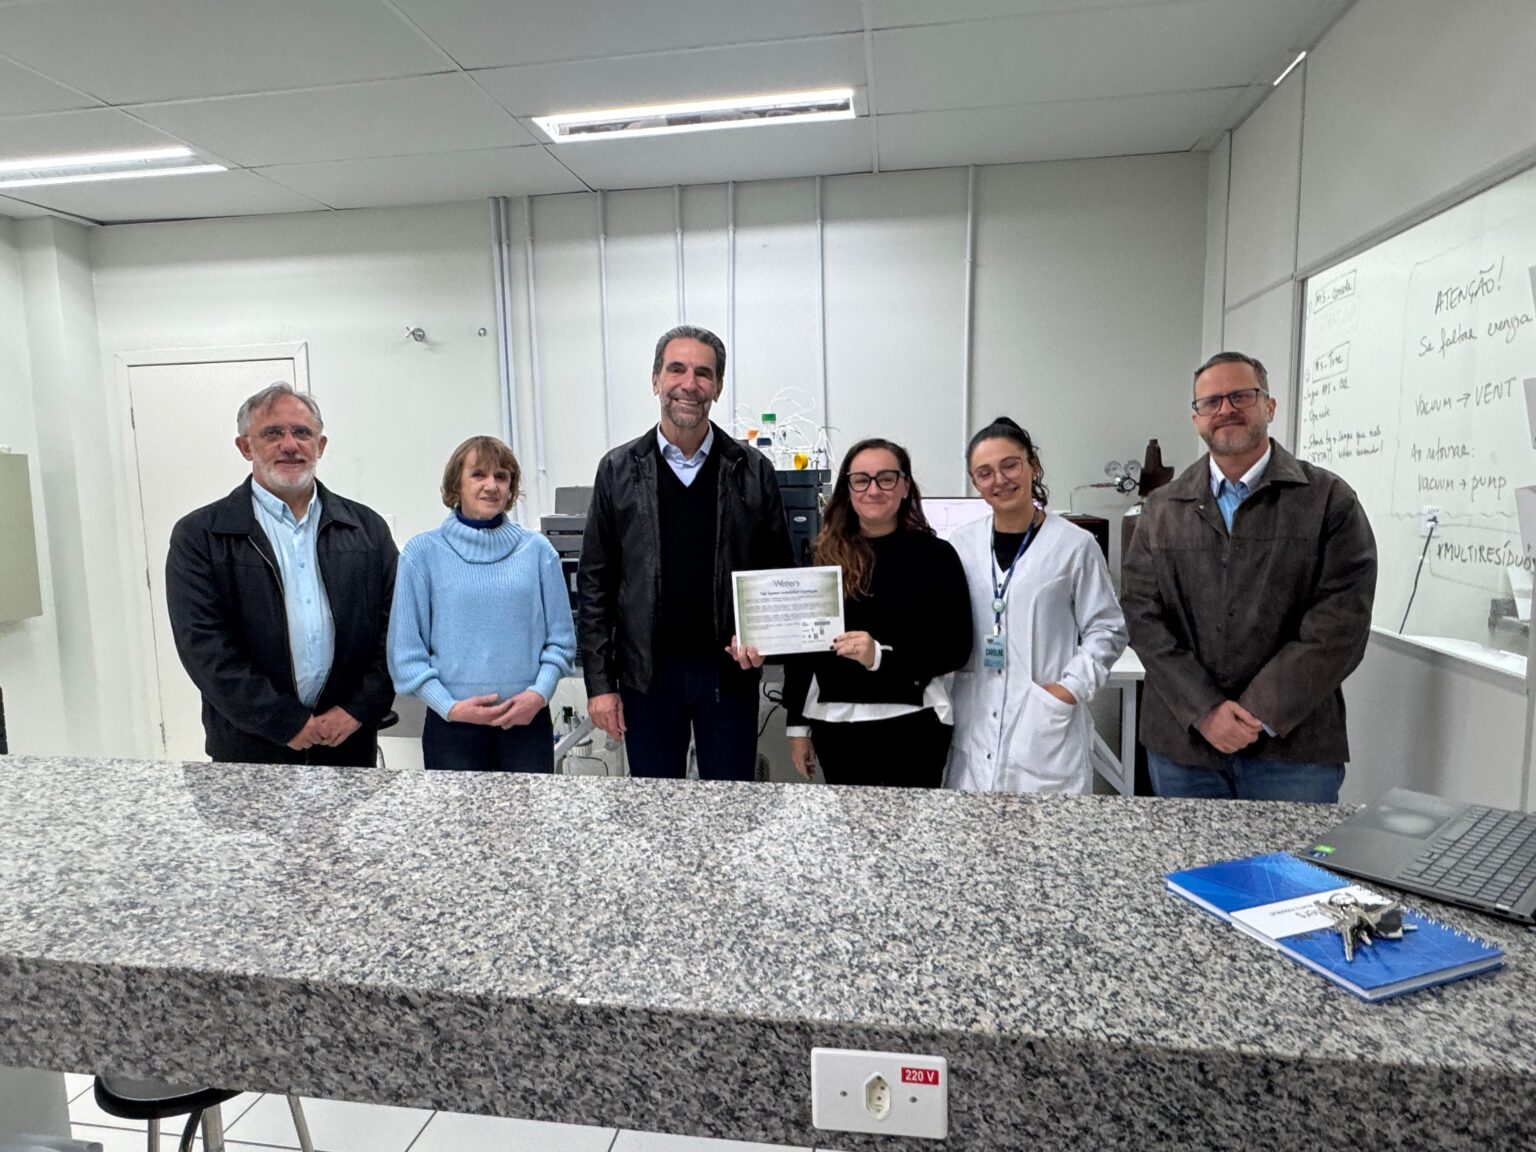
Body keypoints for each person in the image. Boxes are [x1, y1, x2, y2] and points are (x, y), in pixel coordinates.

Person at [1121, 351, 1377, 802]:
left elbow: (1341, 622)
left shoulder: (1328, 501)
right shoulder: (1162, 510)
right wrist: (1205, 710)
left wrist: (1257, 712)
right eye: (1211, 402)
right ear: (1196, 418)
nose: (1226, 410)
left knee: (1290, 872)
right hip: (1186, 747)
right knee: (1187, 870)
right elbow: (1143, 616)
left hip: (1293, 750)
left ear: (1269, 406)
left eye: (1241, 395)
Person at [577, 325, 795, 780]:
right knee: (655, 816)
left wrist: (766, 641)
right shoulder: (618, 470)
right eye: (676, 369)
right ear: (656, 379)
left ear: (717, 386)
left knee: (731, 810)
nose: (689, 384)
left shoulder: (752, 472)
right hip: (646, 678)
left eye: (703, 373)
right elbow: (595, 584)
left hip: (728, 679)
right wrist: (600, 685)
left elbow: (779, 577)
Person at [166, 383, 398, 766]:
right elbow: (204, 646)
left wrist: (358, 709)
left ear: (320, 446)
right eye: (272, 433)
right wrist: (285, 722)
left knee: (348, 830)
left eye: (301, 433)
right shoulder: (201, 536)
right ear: (245, 447)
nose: (289, 445)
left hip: (348, 744)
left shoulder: (366, 530)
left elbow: (393, 632)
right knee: (252, 830)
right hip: (250, 747)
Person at [945, 418, 1127, 794]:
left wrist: (1068, 689)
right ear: (974, 482)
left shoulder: (1074, 545)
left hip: (1045, 728)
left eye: (1010, 465)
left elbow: (1107, 629)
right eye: (985, 472)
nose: (1000, 479)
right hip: (975, 724)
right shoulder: (960, 544)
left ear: (1033, 466)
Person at [783, 438, 972, 787]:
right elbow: (803, 651)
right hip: (837, 725)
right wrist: (798, 728)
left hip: (915, 722)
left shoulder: (937, 557)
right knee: (853, 838)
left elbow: (955, 647)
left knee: (910, 838)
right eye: (861, 479)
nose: (873, 489)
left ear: (904, 487)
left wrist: (880, 657)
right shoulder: (821, 559)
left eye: (886, 478)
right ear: (848, 489)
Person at [388, 436, 575, 773]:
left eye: (501, 477)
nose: (492, 485)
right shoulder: (422, 554)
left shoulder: (538, 552)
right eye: (479, 474)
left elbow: (561, 642)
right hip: (452, 730)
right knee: (458, 826)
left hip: (526, 727)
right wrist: (450, 707)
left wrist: (538, 695)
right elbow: (406, 655)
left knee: (527, 825)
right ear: (455, 484)